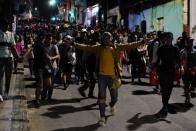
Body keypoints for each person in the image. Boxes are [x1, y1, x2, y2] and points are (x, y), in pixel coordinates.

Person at [76, 32, 142, 126]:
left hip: (112, 77)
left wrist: (141, 42)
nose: (106, 39)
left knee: (115, 98)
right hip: (102, 77)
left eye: (108, 38)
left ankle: (112, 104)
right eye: (104, 38)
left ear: (111, 38)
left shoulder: (116, 47)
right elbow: (87, 47)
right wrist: (74, 44)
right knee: (102, 97)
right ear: (102, 39)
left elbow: (129, 45)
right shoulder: (99, 47)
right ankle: (102, 117)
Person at [155, 32, 180, 118]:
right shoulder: (161, 49)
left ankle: (165, 104)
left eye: (170, 38)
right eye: (167, 38)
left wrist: (179, 68)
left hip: (171, 72)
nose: (169, 39)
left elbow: (178, 60)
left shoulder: (175, 49)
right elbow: (158, 60)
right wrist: (155, 69)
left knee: (169, 90)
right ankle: (165, 106)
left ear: (172, 39)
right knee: (164, 90)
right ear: (165, 39)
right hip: (163, 72)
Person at [0, 18, 21, 102]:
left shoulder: (11, 34)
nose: (7, 26)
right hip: (0, 58)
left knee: (8, 76)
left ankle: (6, 92)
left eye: (8, 25)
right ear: (1, 25)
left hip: (9, 58)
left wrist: (17, 57)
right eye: (5, 25)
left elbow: (13, 47)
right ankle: (0, 93)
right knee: (0, 76)